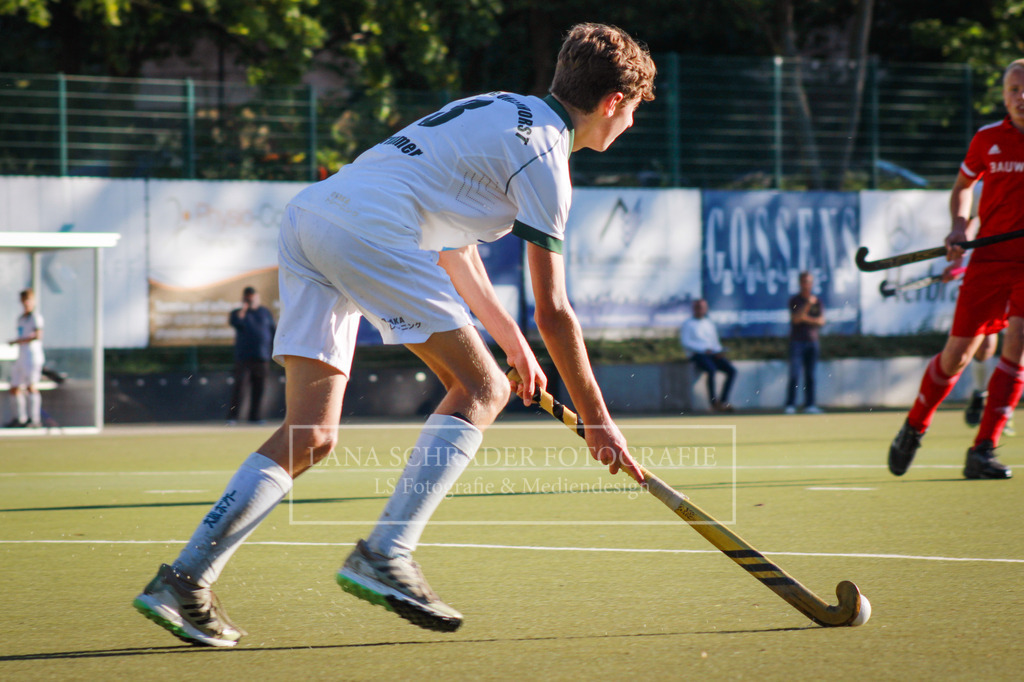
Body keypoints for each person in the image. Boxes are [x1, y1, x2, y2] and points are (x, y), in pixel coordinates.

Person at [133, 23, 656, 647]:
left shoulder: (496, 108)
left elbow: (456, 249)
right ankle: (387, 553)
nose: (629, 127)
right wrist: (598, 420)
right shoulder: (547, 154)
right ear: (611, 103)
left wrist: (510, 339)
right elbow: (557, 311)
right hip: (370, 232)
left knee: (312, 434)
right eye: (633, 113)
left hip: (312, 220)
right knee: (480, 388)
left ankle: (184, 579)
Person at [888, 58, 1024, 480]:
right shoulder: (987, 139)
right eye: (1014, 90)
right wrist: (960, 226)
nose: (1021, 98)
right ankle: (915, 424)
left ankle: (982, 449)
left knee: (1017, 344)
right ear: (1003, 96)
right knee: (957, 355)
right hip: (988, 260)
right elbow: (963, 187)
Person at [226, 286, 276, 424]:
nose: (250, 298)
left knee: (259, 389)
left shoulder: (265, 312)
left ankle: (255, 417)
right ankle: (232, 417)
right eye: (248, 296)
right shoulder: (238, 313)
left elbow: (272, 331)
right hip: (244, 357)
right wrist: (243, 308)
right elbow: (235, 322)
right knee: (240, 388)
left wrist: (272, 351)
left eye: (252, 296)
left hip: (262, 357)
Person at [679, 298, 736, 411]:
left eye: (702, 307)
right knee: (711, 370)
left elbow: (715, 342)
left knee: (731, 371)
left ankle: (723, 401)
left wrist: (719, 351)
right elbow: (685, 342)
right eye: (697, 307)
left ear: (705, 309)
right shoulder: (688, 323)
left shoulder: (709, 323)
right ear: (694, 309)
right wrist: (703, 349)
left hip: (712, 354)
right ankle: (713, 403)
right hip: (697, 354)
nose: (700, 310)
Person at [784, 271, 825, 414]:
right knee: (794, 374)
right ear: (800, 283)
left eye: (809, 281)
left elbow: (821, 321)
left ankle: (810, 405)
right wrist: (807, 305)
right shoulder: (795, 300)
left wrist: (806, 318)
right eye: (804, 281)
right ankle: (790, 404)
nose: (807, 284)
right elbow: (796, 319)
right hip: (797, 342)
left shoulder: (817, 301)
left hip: (812, 341)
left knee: (811, 375)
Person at [6, 288, 44, 428]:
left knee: (31, 387)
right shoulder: (21, 318)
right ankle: (19, 418)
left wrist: (17, 341)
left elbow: (38, 336)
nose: (26, 304)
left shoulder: (36, 317)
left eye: (28, 301)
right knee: (14, 387)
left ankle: (35, 420)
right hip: (21, 356)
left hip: (32, 357)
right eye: (24, 301)